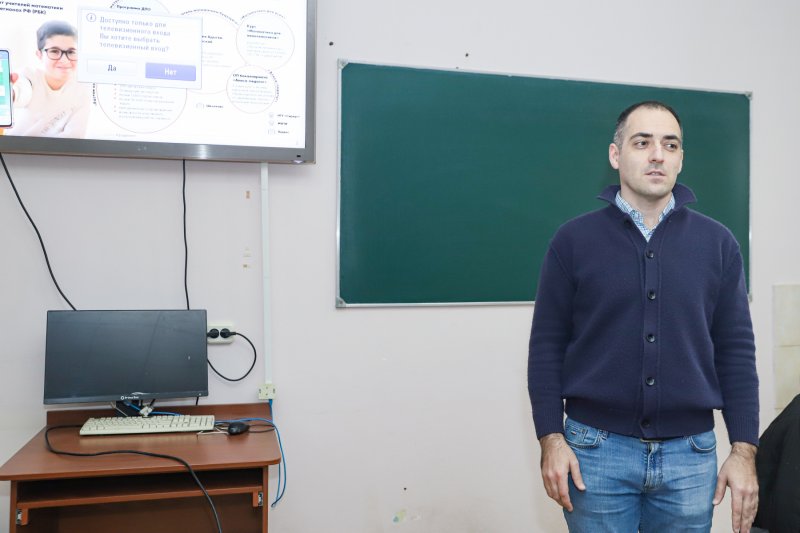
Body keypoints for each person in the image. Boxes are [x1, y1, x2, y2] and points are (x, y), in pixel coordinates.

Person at [527, 101, 760, 532]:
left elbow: (736, 353)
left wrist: (744, 450)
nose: (657, 155)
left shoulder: (719, 244)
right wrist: (550, 438)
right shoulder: (573, 241)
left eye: (670, 145)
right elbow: (546, 346)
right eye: (642, 142)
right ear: (616, 155)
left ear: (681, 159)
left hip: (690, 458)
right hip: (594, 453)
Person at [6, 20, 89, 138]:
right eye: (54, 51)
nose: (64, 60)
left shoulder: (82, 90)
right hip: (11, 148)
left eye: (71, 52)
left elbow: (74, 137)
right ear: (39, 55)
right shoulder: (28, 75)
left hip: (52, 150)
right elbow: (21, 91)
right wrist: (12, 94)